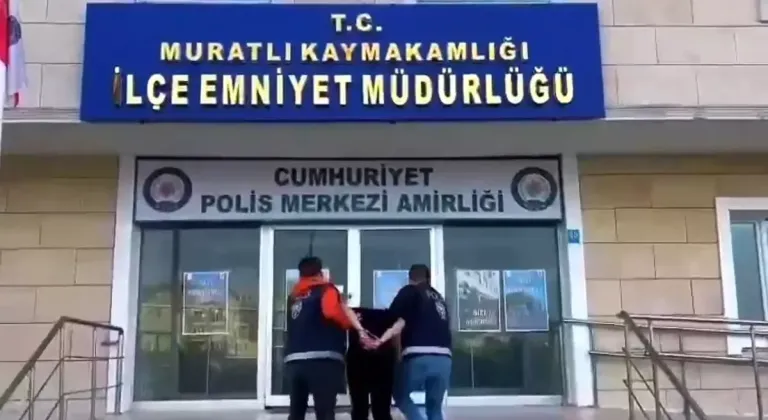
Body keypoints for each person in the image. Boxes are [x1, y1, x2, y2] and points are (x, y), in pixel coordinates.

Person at [284, 256, 370, 420]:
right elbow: (331, 312)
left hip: (295, 361)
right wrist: (349, 322)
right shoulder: (326, 289)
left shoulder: (293, 296)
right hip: (322, 359)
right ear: (320, 273)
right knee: (324, 411)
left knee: (296, 411)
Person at [370, 264, 452, 420]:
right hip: (445, 359)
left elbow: (394, 321)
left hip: (418, 355)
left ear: (410, 278)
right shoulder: (439, 298)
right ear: (428, 279)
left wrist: (381, 342)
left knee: (400, 395)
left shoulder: (409, 291)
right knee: (434, 407)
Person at [346, 307, 397, 420]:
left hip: (359, 357)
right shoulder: (391, 312)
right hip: (382, 356)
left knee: (360, 407)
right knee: (381, 409)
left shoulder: (351, 310)